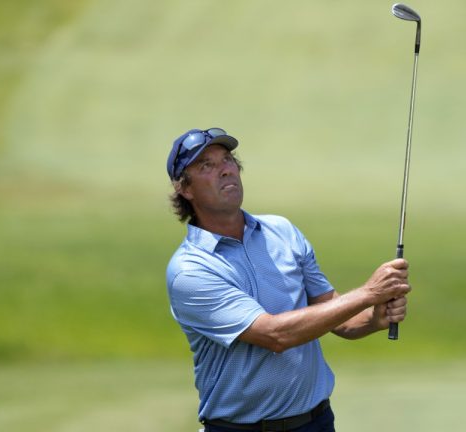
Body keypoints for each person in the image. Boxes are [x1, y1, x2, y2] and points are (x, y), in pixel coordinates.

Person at [165, 127, 411, 432]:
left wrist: (375, 318)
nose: (226, 170)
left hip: (316, 423)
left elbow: (338, 317)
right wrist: (368, 293)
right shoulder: (190, 270)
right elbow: (274, 336)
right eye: (207, 166)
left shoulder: (281, 231)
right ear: (185, 189)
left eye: (228, 159)